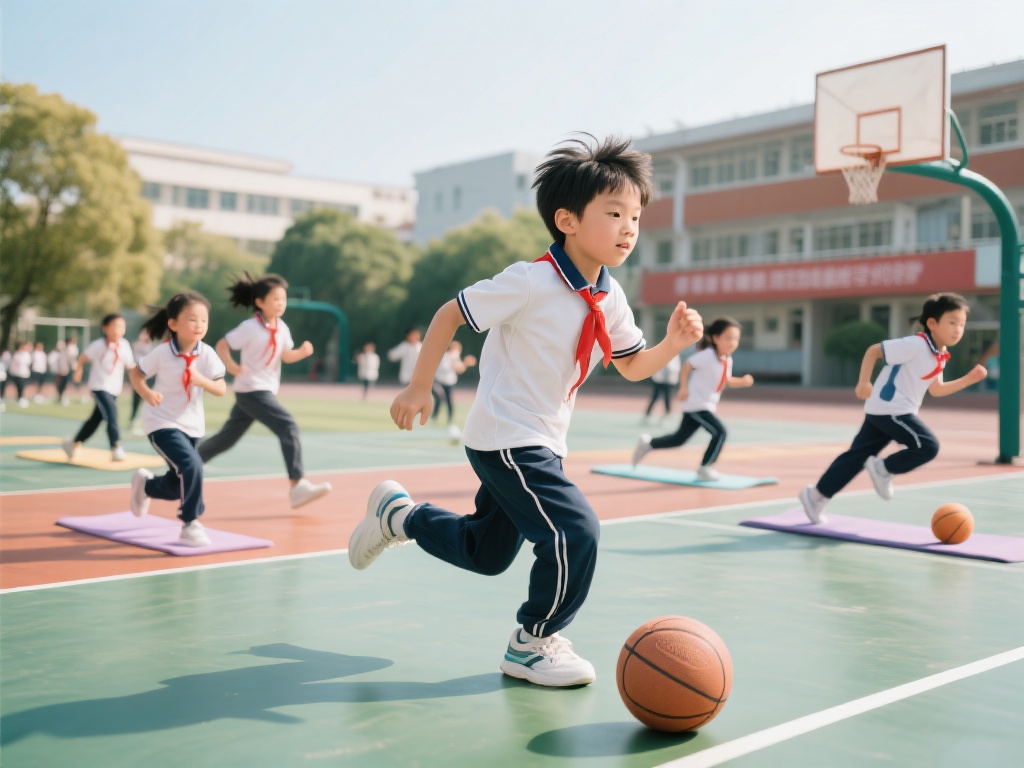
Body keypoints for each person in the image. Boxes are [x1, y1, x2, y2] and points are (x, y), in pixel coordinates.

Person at [348, 134, 704, 687]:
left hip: (543, 441)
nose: (629, 227)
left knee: (485, 553)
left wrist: (673, 344)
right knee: (575, 531)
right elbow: (450, 314)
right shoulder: (532, 281)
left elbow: (633, 365)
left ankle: (399, 516)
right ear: (567, 220)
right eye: (614, 213)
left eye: (635, 216)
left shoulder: (609, 297)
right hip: (507, 436)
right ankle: (532, 642)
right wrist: (419, 386)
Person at [799, 293, 988, 524]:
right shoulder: (916, 345)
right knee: (927, 446)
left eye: (961, 324)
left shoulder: (939, 354)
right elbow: (873, 351)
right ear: (932, 323)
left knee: (856, 456)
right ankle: (883, 469)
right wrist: (863, 382)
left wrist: (968, 380)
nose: (958, 329)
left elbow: (936, 389)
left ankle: (816, 496)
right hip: (893, 409)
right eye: (952, 323)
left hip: (883, 409)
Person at [197, 273, 332, 510]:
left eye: (283, 299)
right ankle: (297, 486)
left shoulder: (282, 328)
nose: (281, 303)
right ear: (260, 302)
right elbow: (223, 344)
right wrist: (231, 366)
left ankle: (187, 463)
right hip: (252, 390)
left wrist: (302, 352)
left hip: (260, 391)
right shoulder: (249, 327)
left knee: (226, 438)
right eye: (276, 299)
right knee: (288, 425)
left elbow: (285, 355)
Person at [129, 291, 227, 547]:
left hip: (192, 426)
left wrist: (202, 381)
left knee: (177, 485)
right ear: (173, 324)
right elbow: (136, 374)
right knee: (193, 465)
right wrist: (147, 394)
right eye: (192, 319)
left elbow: (221, 388)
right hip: (161, 422)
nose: (199, 325)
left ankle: (146, 486)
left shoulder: (207, 354)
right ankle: (190, 524)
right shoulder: (162, 353)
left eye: (204, 320)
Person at [632, 317, 754, 481]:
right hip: (697, 404)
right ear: (715, 338)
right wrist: (683, 387)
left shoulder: (726, 359)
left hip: (705, 405)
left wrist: (743, 382)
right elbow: (687, 365)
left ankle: (648, 444)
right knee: (720, 432)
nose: (733, 342)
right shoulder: (707, 355)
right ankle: (705, 467)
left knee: (679, 439)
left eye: (736, 339)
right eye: (728, 338)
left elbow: (727, 380)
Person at [63, 315, 134, 462]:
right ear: (105, 328)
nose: (118, 330)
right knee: (112, 413)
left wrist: (142, 373)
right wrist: (78, 370)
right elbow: (83, 358)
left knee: (95, 420)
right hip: (99, 387)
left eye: (122, 327)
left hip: (114, 389)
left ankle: (72, 444)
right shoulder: (99, 345)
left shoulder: (124, 345)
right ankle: (116, 446)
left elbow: (130, 365)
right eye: (115, 326)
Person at [431, 340, 477, 433]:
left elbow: (459, 369)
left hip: (449, 383)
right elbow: (446, 368)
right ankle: (433, 417)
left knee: (449, 401)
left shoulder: (455, 357)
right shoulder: (446, 356)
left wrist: (465, 364)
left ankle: (449, 420)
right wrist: (463, 363)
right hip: (440, 381)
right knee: (439, 399)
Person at [129, 329, 155, 435]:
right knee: (136, 399)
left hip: (148, 377)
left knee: (148, 400)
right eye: (143, 334)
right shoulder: (135, 345)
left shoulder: (152, 347)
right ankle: (133, 421)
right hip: (138, 376)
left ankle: (146, 422)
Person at [643, 353, 681, 423]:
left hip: (669, 381)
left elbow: (676, 367)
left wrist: (673, 377)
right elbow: (656, 364)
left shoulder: (675, 354)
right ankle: (647, 415)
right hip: (659, 380)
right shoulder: (661, 351)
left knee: (667, 398)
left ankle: (667, 415)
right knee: (655, 397)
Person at [5, 342, 32, 408]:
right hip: (16, 373)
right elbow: (13, 364)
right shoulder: (16, 354)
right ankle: (19, 397)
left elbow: (27, 363)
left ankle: (21, 397)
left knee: (22, 386)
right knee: (18, 386)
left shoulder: (26, 354)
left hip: (23, 373)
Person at [48, 341, 70, 406]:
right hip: (58, 373)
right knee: (59, 386)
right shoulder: (54, 354)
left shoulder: (64, 353)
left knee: (63, 386)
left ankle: (62, 397)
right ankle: (59, 397)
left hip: (64, 372)